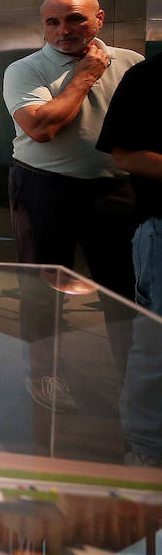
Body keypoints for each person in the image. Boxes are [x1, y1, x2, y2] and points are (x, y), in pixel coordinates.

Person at [4, 0, 143, 409]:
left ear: (99, 19)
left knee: (125, 289)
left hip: (116, 188)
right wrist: (86, 75)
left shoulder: (131, 64)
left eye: (76, 19)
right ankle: (44, 374)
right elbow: (41, 128)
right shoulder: (25, 69)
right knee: (42, 288)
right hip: (44, 187)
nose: (64, 30)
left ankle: (132, 379)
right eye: (53, 22)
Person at [97, 50, 162, 465]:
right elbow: (125, 152)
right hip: (159, 221)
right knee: (155, 345)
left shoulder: (130, 64)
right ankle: (146, 453)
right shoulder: (150, 76)